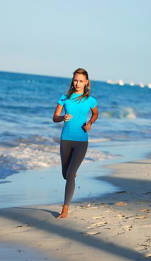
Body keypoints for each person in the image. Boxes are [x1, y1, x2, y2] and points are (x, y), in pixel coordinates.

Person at [53, 68, 99, 218]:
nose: (77, 83)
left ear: (86, 82)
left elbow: (95, 113)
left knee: (71, 174)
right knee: (65, 175)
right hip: (65, 139)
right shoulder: (64, 98)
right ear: (72, 81)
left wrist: (90, 123)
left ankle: (65, 209)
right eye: (75, 80)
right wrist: (62, 118)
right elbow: (55, 117)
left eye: (80, 81)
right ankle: (71, 175)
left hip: (81, 141)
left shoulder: (90, 100)